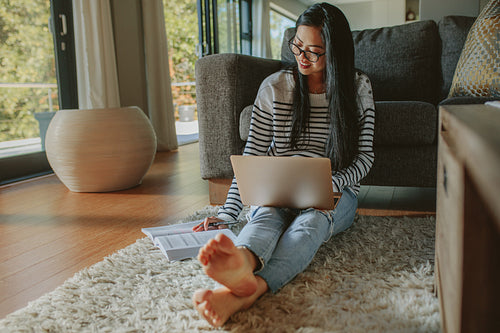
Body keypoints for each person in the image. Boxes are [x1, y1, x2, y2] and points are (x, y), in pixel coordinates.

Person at [192, 2, 375, 327]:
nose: (302, 58)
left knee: (311, 223)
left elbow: (365, 157)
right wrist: (226, 213)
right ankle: (244, 261)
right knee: (265, 216)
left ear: (335, 53)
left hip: (337, 192)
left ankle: (247, 291)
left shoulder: (357, 87)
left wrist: (334, 182)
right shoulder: (275, 87)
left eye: (314, 52)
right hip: (278, 188)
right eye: (297, 47)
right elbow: (253, 157)